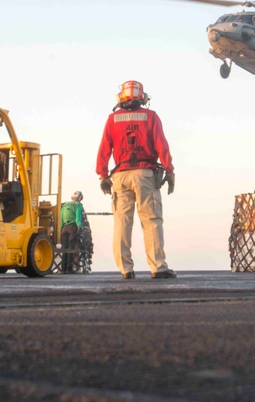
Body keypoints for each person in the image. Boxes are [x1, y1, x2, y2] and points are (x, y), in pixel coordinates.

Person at [96, 80, 176, 280]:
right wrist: (169, 170)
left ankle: (125, 269)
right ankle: (158, 267)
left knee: (122, 222)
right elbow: (162, 146)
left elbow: (104, 149)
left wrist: (103, 175)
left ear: (121, 98)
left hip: (120, 176)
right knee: (151, 221)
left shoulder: (112, 119)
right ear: (142, 98)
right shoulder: (151, 117)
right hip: (145, 175)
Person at [60, 191, 84, 274]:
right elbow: (78, 217)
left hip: (64, 228)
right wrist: (79, 226)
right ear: (80, 198)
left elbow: (61, 216)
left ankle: (63, 269)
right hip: (72, 227)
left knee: (64, 248)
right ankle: (69, 269)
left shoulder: (65, 205)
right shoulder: (78, 205)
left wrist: (61, 226)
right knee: (70, 248)